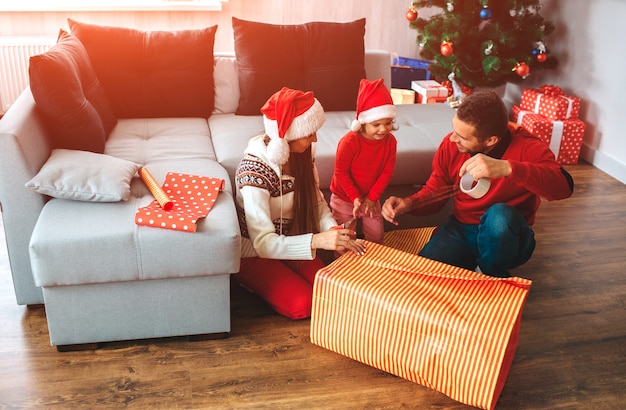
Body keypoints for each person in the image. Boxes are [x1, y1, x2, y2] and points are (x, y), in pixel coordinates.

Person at [381, 89, 574, 277]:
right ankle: (476, 266)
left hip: (508, 237)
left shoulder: (528, 148)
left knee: (500, 215)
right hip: (462, 229)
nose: (453, 138)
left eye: (463, 137)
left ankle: (489, 275)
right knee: (424, 277)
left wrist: (508, 168)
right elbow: (436, 192)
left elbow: (564, 187)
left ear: (491, 140)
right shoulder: (450, 145)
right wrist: (408, 204)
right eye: (454, 130)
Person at [234, 87, 366, 320]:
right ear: (286, 138)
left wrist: (332, 230)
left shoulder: (303, 154)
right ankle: (250, 282)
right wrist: (318, 240)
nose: (314, 139)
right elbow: (264, 244)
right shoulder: (253, 173)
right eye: (309, 134)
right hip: (255, 252)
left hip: (293, 239)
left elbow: (315, 201)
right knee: (304, 305)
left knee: (333, 290)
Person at [329, 78, 397, 244]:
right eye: (376, 125)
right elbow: (340, 172)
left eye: (388, 123)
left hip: (371, 199)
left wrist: (372, 198)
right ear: (364, 123)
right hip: (344, 198)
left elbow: (387, 172)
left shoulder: (390, 142)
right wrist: (355, 197)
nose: (383, 129)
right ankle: (343, 267)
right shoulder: (349, 142)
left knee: (376, 236)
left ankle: (372, 267)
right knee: (345, 239)